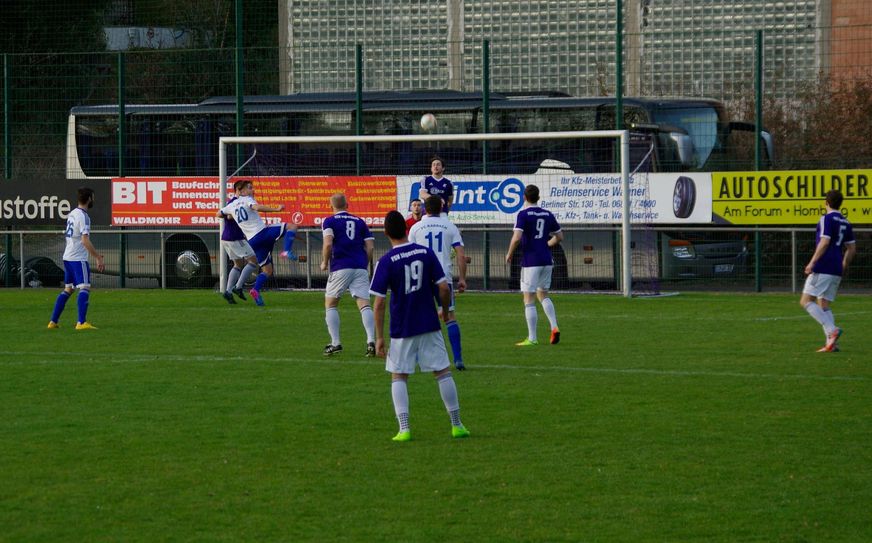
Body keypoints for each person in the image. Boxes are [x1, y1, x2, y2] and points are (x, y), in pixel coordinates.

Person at [370, 210, 470, 442]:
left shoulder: (385, 261)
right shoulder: (426, 253)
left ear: (386, 233)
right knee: (443, 373)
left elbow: (378, 303)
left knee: (399, 376)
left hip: (402, 328)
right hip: (429, 323)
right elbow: (444, 288)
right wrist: (444, 312)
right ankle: (457, 425)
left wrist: (379, 337)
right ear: (406, 230)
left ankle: (404, 429)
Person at [408, 195, 467, 370]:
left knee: (419, 316)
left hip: (422, 277)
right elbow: (461, 255)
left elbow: (410, 254)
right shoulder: (450, 226)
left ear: (425, 208)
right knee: (449, 317)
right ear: (441, 208)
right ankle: (457, 359)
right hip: (443, 278)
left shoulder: (416, 227)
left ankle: (418, 358)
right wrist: (462, 279)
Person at [217, 179, 298, 306]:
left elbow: (219, 213)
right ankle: (287, 250)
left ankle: (255, 290)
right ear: (242, 191)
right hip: (261, 233)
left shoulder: (231, 205)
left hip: (253, 241)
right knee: (292, 226)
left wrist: (231, 215)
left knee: (267, 270)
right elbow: (257, 207)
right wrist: (276, 209)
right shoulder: (247, 199)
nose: (252, 190)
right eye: (249, 188)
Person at [505, 184, 563, 346]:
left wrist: (509, 253)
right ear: (538, 197)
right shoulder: (547, 214)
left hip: (531, 262)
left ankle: (532, 338)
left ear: (524, 197)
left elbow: (517, 238)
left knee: (528, 299)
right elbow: (560, 236)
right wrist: (547, 245)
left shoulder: (523, 214)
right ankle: (554, 326)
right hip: (546, 260)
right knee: (543, 294)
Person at [320, 193, 377, 357]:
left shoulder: (329, 221)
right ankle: (370, 342)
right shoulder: (360, 221)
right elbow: (371, 247)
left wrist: (324, 262)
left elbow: (328, 243)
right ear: (348, 205)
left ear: (331, 207)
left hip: (340, 266)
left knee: (331, 304)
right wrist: (364, 263)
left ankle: (336, 343)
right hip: (360, 266)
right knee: (364, 304)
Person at [800, 189, 856, 353]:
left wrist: (812, 262)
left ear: (826, 202)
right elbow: (852, 248)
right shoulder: (846, 222)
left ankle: (832, 330)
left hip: (823, 266)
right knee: (823, 303)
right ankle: (831, 344)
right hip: (836, 267)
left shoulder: (826, 219)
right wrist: (843, 265)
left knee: (805, 301)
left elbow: (824, 242)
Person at [48, 187, 105, 330]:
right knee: (84, 287)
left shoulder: (72, 213)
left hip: (67, 257)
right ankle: (81, 322)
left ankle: (53, 322)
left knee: (68, 289)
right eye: (93, 197)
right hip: (78, 258)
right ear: (90, 199)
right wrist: (98, 257)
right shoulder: (84, 216)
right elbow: (84, 240)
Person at [218, 184, 258, 304]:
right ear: (239, 191)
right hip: (234, 238)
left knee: (238, 264)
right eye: (249, 188)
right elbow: (228, 216)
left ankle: (228, 292)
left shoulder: (237, 201)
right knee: (253, 261)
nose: (251, 190)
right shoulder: (236, 202)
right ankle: (238, 287)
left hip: (227, 238)